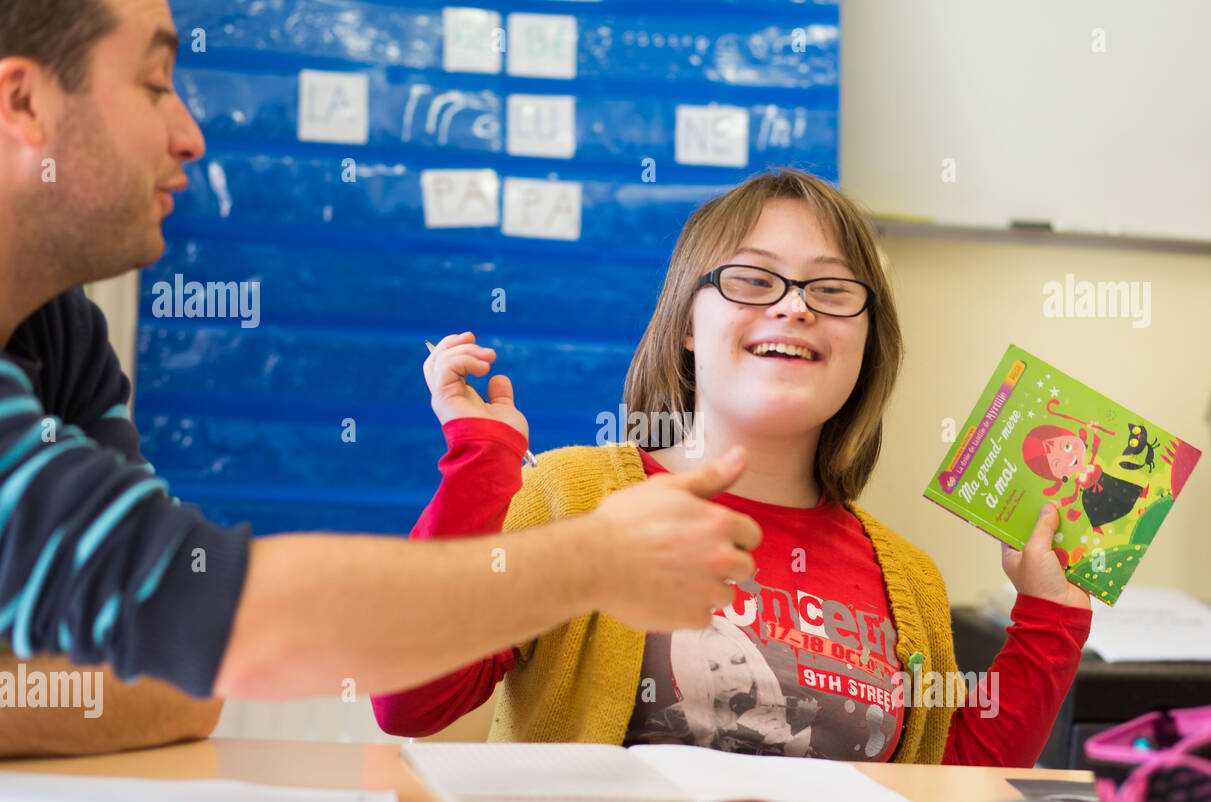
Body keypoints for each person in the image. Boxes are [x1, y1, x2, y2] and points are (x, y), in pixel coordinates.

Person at [0, 0, 761, 755]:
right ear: (24, 101)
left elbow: (178, 672)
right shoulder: (582, 488)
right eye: (155, 82)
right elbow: (229, 626)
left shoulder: (58, 333)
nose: (190, 135)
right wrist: (595, 560)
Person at [372, 169, 1095, 767]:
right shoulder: (573, 496)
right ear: (688, 324)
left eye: (832, 290)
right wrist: (479, 459)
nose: (795, 308)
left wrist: (1050, 614)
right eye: (753, 280)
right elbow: (409, 698)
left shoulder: (909, 580)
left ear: (867, 343)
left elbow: (956, 788)